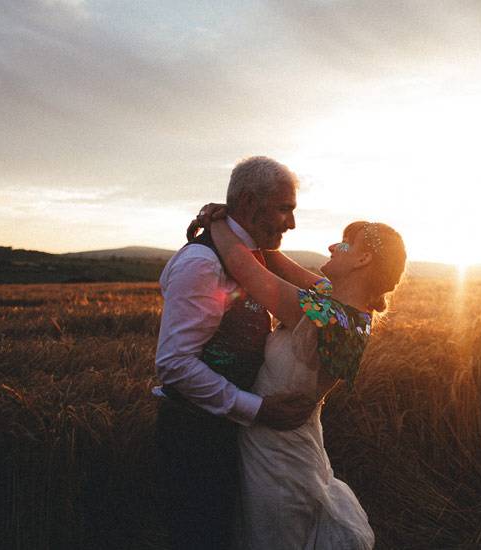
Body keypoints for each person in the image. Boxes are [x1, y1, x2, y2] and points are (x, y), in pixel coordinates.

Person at [194, 204, 406, 549]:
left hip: (279, 456)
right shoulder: (337, 304)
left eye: (345, 244)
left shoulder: (328, 319)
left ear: (363, 260)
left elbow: (245, 269)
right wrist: (244, 219)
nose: (333, 247)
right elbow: (274, 260)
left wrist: (216, 221)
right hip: (275, 438)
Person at [153, 156, 317, 550]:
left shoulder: (251, 257)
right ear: (247, 202)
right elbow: (174, 365)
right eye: (284, 209)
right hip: (196, 440)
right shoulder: (202, 263)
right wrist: (255, 408)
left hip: (234, 434)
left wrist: (219, 223)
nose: (291, 224)